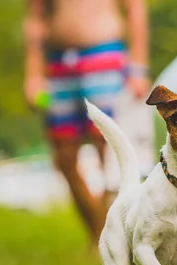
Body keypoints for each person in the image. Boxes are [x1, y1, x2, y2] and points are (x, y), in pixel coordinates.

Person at [23, 0, 151, 246]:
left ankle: (112, 236)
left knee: (110, 151)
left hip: (105, 55)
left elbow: (135, 8)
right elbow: (36, 18)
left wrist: (138, 68)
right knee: (64, 156)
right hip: (58, 63)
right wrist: (33, 73)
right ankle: (100, 232)